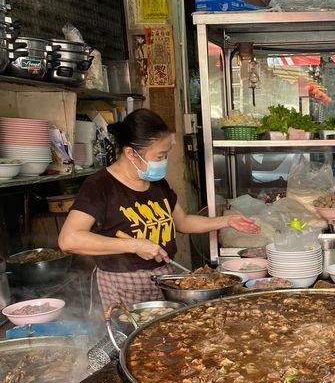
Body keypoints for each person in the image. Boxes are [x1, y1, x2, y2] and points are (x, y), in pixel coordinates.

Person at [58, 109, 260, 310]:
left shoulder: (156, 183)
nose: (164, 162)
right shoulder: (100, 186)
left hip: (164, 278)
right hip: (122, 284)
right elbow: (69, 239)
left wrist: (225, 221)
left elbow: (182, 221)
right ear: (131, 153)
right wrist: (135, 245)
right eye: (159, 156)